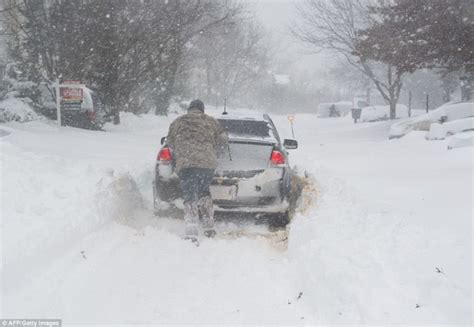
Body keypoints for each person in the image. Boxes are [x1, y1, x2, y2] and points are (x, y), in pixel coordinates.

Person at [166, 99, 228, 243]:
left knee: (190, 194)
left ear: (189, 109)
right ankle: (208, 226)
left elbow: (170, 142)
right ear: (202, 109)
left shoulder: (178, 122)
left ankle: (192, 228)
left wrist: (183, 147)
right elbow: (223, 141)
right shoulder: (211, 121)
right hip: (207, 164)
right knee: (204, 191)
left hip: (187, 163)